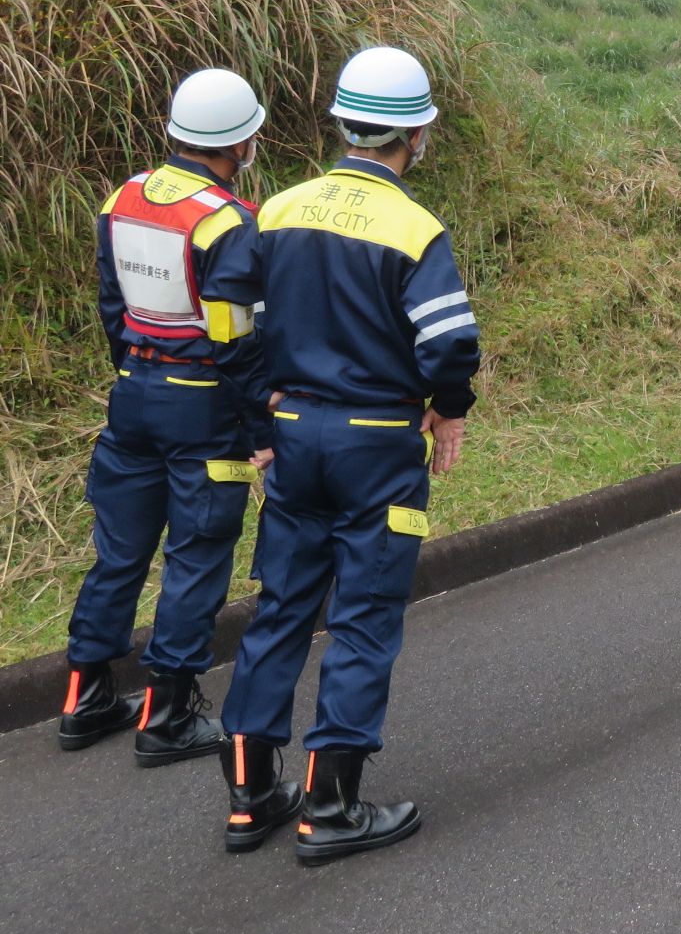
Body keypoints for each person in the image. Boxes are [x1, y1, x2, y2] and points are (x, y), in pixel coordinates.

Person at [219, 46, 480, 861]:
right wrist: (449, 411)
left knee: (281, 609)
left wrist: (261, 407)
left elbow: (226, 316)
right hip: (377, 444)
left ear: (340, 123)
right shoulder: (415, 228)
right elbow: (450, 343)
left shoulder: (280, 208)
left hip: (295, 434)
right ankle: (330, 809)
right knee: (363, 620)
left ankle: (252, 794)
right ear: (418, 136)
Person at [59, 70, 273, 765]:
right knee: (198, 550)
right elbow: (236, 340)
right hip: (203, 404)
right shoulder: (226, 222)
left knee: (119, 550)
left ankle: (85, 696)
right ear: (240, 143)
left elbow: (110, 304)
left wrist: (134, 367)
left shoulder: (121, 197)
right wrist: (263, 432)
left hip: (132, 393)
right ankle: (168, 714)